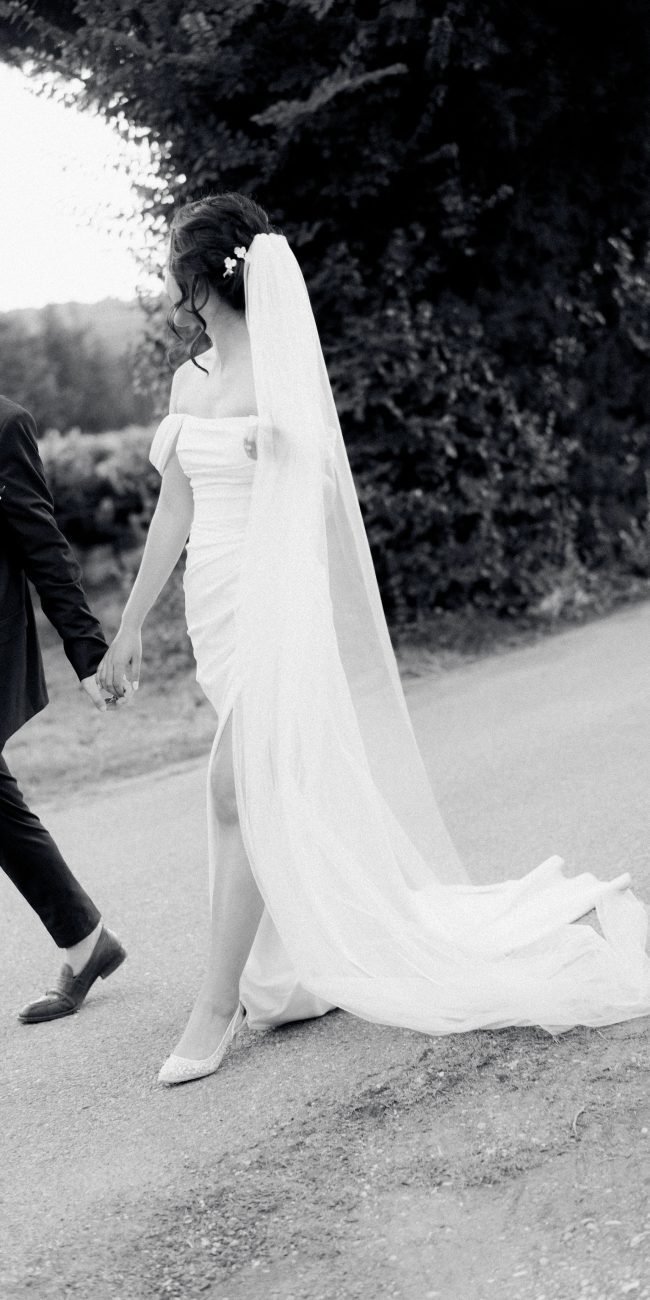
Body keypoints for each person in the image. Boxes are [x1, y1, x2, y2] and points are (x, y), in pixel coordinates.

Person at [98, 193, 650, 1087]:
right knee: (265, 793)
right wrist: (128, 628)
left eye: (176, 272)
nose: (172, 289)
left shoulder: (282, 371)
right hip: (215, 613)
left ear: (202, 280)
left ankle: (217, 1004)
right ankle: (291, 968)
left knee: (239, 787)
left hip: (275, 605)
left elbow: (319, 504)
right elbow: (175, 511)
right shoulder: (188, 382)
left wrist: (283, 476)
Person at [0, 395, 126, 1023]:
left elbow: (43, 547)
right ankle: (84, 938)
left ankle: (83, 939)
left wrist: (88, 652)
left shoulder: (4, 424)